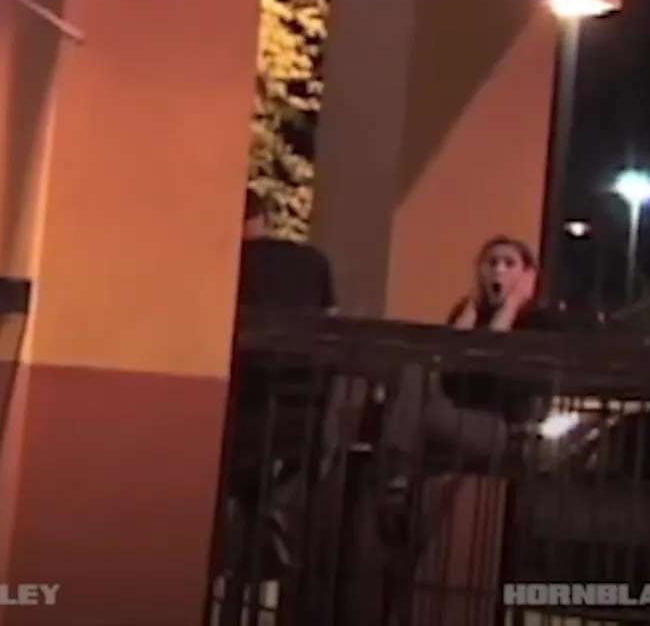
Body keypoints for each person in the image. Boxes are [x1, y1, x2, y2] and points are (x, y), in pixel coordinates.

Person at [379, 236, 552, 513]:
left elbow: (496, 376)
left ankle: (396, 472)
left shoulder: (537, 321)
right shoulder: (468, 314)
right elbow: (447, 373)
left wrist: (511, 306)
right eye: (491, 263)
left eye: (509, 264)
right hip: (450, 414)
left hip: (497, 427)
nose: (498, 270)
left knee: (406, 417)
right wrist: (468, 314)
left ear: (526, 274)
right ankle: (398, 479)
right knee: (413, 370)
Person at [227, 190, 338, 572]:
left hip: (243, 407)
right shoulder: (313, 261)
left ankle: (248, 546)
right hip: (303, 411)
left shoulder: (229, 262)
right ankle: (273, 516)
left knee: (239, 476)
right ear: (266, 218)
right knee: (314, 454)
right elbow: (332, 327)